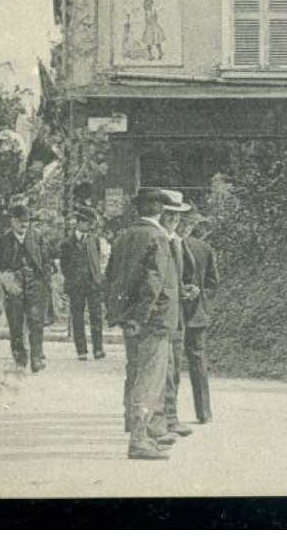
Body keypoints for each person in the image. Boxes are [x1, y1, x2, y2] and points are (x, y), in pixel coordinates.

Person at [104, 187, 183, 460]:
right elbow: (153, 282)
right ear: (160, 210)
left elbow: (110, 278)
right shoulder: (158, 237)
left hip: (132, 320)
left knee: (137, 373)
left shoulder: (123, 237)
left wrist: (124, 315)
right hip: (154, 320)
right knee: (150, 380)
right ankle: (139, 440)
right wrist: (140, 317)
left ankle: (146, 434)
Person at [0, 202, 53, 372]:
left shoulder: (38, 238)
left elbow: (47, 262)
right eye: (19, 221)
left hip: (35, 283)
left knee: (36, 322)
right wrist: (5, 279)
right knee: (15, 323)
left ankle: (37, 359)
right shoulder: (2, 241)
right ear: (12, 221)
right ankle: (20, 360)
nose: (24, 224)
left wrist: (45, 281)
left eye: (27, 221)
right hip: (13, 285)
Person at [157, 191, 194, 440]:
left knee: (175, 368)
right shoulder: (157, 240)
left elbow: (175, 279)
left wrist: (185, 290)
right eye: (168, 214)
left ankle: (171, 417)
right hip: (161, 317)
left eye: (177, 215)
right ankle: (163, 420)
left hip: (177, 315)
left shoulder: (177, 242)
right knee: (163, 370)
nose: (173, 220)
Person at [179, 209, 219, 422]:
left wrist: (193, 293)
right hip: (193, 313)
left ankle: (170, 414)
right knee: (196, 361)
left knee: (174, 362)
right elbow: (213, 284)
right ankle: (203, 413)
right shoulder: (204, 247)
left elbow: (212, 284)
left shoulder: (172, 245)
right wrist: (197, 293)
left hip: (181, 313)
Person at [58, 204, 107, 362]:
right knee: (78, 317)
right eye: (87, 222)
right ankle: (81, 351)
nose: (90, 226)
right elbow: (64, 267)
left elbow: (96, 261)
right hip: (76, 285)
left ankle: (98, 349)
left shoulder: (95, 240)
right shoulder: (67, 243)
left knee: (96, 317)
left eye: (91, 223)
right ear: (79, 222)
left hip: (93, 284)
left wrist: (97, 279)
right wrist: (74, 279)